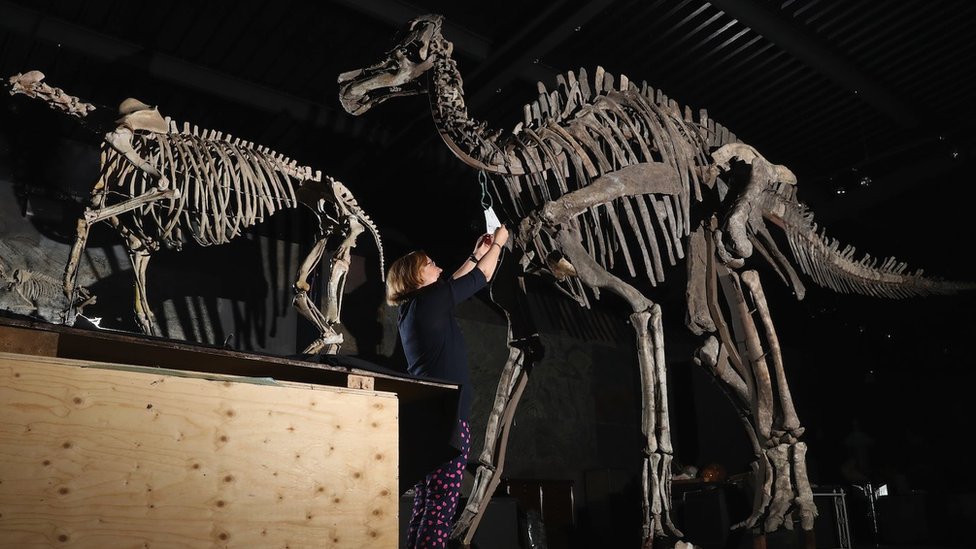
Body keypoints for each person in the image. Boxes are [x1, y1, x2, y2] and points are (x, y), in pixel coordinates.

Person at [386, 224, 509, 549]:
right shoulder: (429, 302)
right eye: (429, 264)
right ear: (417, 277)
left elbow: (453, 284)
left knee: (427, 504)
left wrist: (475, 253)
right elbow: (481, 277)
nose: (435, 265)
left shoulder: (413, 309)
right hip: (448, 420)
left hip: (430, 419)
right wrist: (499, 244)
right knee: (440, 507)